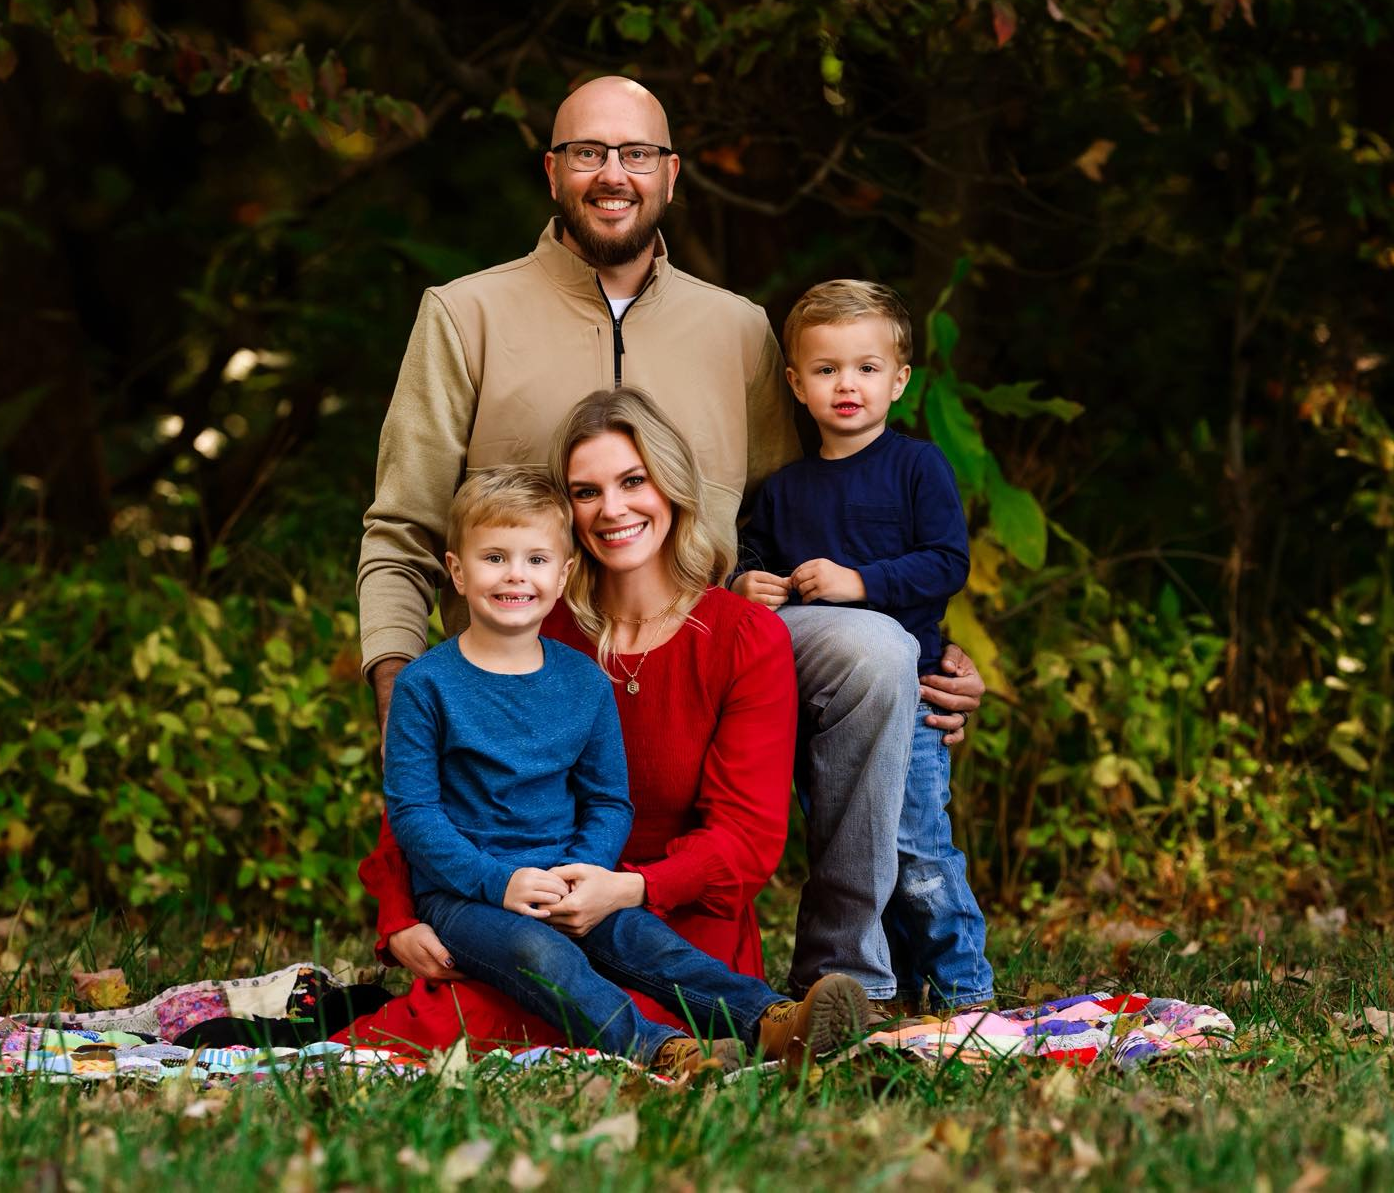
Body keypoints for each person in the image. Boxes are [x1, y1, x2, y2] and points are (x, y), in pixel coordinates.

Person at [355, 73, 987, 1008]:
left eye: (636, 153)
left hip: (709, 640)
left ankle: (844, 977)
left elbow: (805, 501)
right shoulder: (467, 314)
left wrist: (921, 632)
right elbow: (402, 528)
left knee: (870, 652)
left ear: (672, 174)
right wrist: (402, 686)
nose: (613, 174)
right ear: (552, 171)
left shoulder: (735, 329)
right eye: (588, 152)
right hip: (537, 655)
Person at [340, 390, 806, 1054]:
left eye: (634, 481)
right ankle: (667, 1052)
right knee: (497, 999)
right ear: (567, 515)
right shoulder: (527, 629)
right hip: (507, 902)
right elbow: (416, 803)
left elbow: (748, 837)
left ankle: (778, 1022)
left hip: (671, 912)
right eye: (587, 492)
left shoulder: (742, 636)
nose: (613, 509)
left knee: (639, 976)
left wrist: (624, 886)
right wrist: (397, 919)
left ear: (671, 485)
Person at [733, 280, 994, 1011]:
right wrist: (748, 579)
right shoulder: (785, 489)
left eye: (867, 368)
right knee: (852, 844)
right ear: (795, 382)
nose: (847, 385)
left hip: (908, 697)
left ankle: (966, 992)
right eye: (825, 370)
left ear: (900, 379)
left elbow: (947, 562)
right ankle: (899, 983)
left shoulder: (917, 467)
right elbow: (754, 555)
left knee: (914, 846)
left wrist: (860, 581)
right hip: (826, 706)